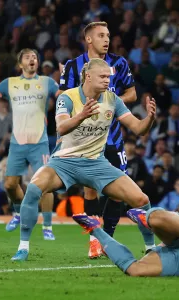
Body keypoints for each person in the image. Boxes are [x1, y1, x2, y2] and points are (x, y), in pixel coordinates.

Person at [11, 58, 156, 262]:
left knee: (142, 200)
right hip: (64, 162)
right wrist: (82, 115)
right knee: (34, 189)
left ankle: (151, 249)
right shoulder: (67, 97)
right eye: (103, 76)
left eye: (109, 77)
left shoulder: (112, 99)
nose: (108, 81)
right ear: (88, 76)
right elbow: (61, 127)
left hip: (96, 163)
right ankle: (23, 248)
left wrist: (149, 119)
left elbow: (139, 129)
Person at [59, 21, 137, 258]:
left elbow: (132, 93)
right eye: (101, 35)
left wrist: (111, 102)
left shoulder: (119, 63)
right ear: (89, 39)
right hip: (87, 139)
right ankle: (95, 240)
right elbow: (63, 96)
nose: (107, 39)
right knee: (91, 191)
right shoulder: (74, 66)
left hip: (112, 137)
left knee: (117, 192)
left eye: (108, 35)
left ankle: (108, 238)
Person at [0, 48, 59, 240]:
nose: (32, 59)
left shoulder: (47, 82)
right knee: (9, 185)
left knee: (45, 185)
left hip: (39, 142)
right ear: (20, 63)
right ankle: (19, 213)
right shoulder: (10, 83)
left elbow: (65, 97)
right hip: (17, 143)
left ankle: (47, 226)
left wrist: (66, 80)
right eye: (27, 57)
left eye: (35, 57)